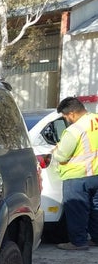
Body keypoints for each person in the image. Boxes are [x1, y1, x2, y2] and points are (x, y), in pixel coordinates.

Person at [52, 96, 98, 250]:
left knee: (77, 210)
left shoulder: (74, 130)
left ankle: (78, 242)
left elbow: (61, 156)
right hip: (96, 174)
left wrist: (55, 151)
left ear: (71, 114)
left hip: (78, 176)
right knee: (96, 208)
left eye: (65, 116)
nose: (66, 119)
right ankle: (96, 238)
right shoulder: (96, 120)